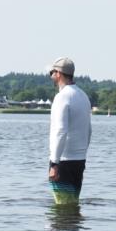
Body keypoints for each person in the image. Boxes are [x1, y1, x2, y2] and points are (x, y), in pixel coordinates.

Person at [48, 57, 92, 205]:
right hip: (79, 161)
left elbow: (60, 131)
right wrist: (82, 155)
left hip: (64, 161)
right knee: (73, 205)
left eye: (52, 72)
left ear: (59, 73)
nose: (51, 76)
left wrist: (54, 163)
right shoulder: (83, 96)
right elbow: (89, 130)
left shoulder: (62, 97)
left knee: (62, 207)